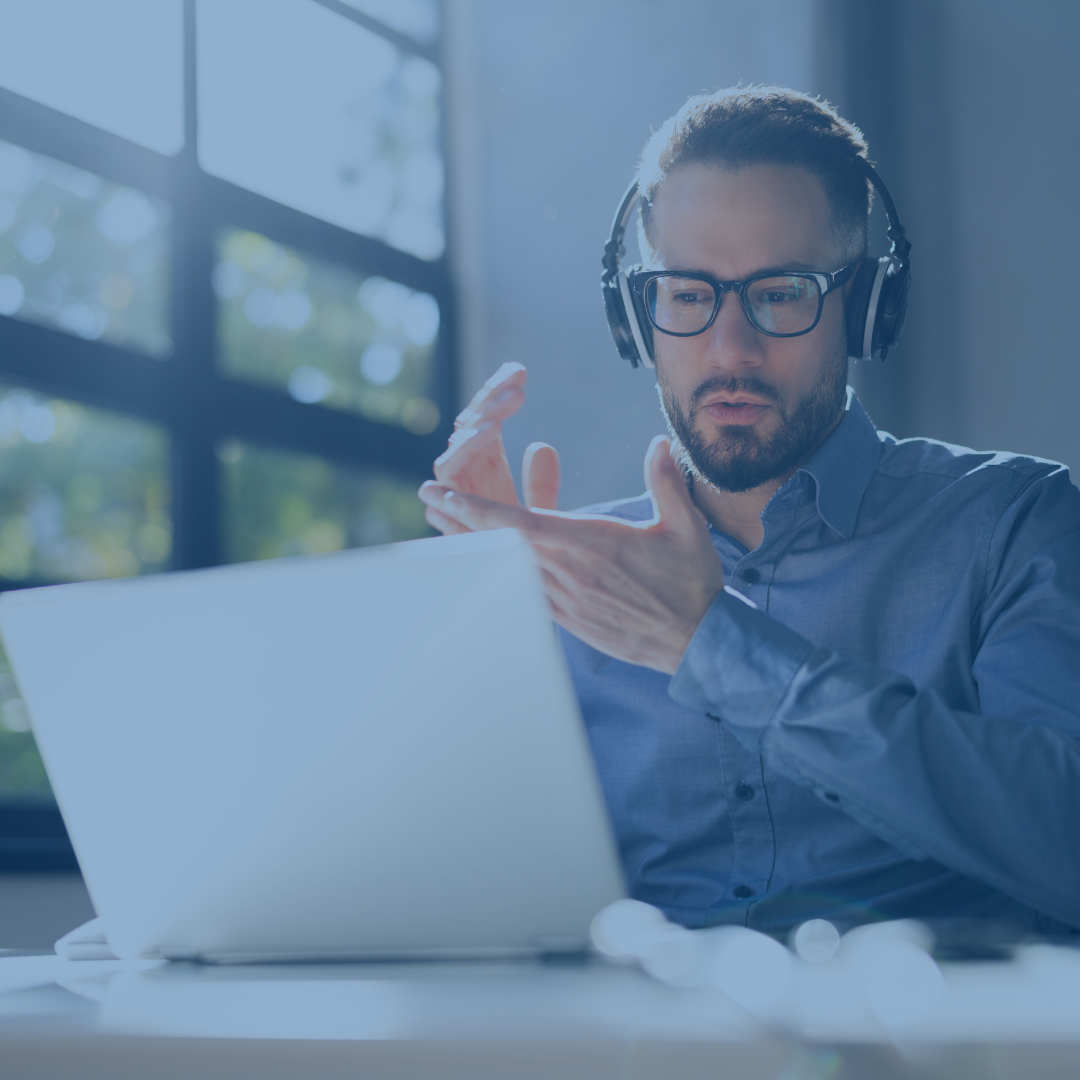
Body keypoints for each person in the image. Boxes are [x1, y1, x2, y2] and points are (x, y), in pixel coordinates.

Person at [418, 87, 1080, 937]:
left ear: (868, 306)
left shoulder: (1016, 522)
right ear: (637, 319)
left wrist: (709, 645)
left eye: (783, 291)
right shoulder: (571, 576)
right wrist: (475, 631)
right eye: (688, 295)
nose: (731, 349)